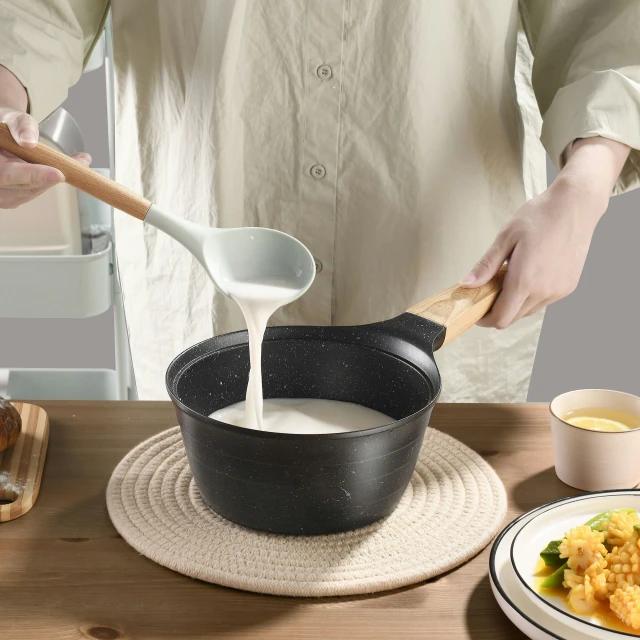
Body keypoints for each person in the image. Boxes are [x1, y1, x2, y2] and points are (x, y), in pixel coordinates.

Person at [0, 1, 638, 401]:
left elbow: (607, 25)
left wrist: (582, 189)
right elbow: (36, 12)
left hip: (443, 262)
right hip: (204, 243)